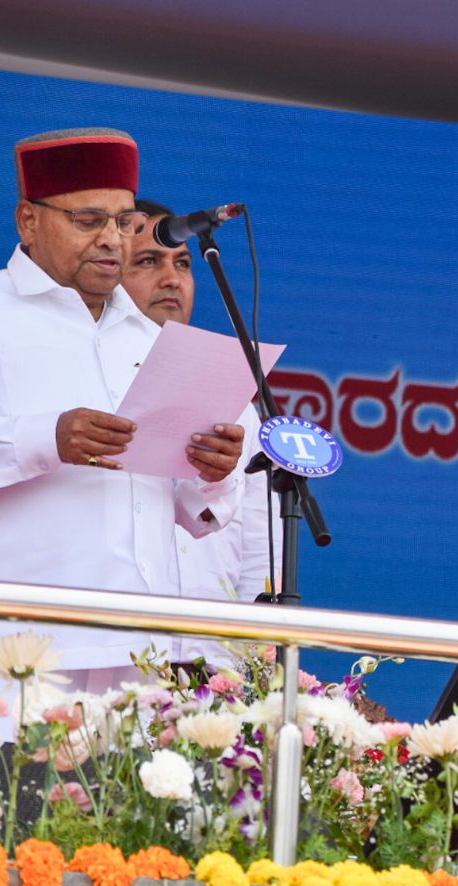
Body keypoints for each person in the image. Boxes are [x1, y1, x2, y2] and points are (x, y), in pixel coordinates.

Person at [0, 128, 248, 713]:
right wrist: (45, 438)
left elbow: (188, 512)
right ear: (28, 222)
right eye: (89, 221)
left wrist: (214, 472)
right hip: (10, 659)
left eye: (125, 222)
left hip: (140, 661)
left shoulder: (149, 335)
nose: (112, 240)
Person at [123, 199, 282, 664]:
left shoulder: (234, 394)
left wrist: (258, 663)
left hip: (215, 667)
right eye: (149, 261)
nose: (172, 279)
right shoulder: (89, 382)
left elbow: (258, 548)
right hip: (123, 658)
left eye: (184, 264)